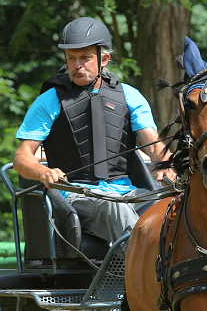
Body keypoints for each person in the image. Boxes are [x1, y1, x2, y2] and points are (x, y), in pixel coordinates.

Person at [13, 17, 175, 243]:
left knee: (176, 205)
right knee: (116, 210)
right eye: (71, 58)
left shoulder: (130, 96)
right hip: (76, 196)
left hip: (128, 193)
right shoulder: (48, 101)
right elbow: (21, 157)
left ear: (104, 59)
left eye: (85, 57)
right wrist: (42, 172)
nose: (77, 65)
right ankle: (137, 276)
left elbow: (155, 146)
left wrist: (167, 166)